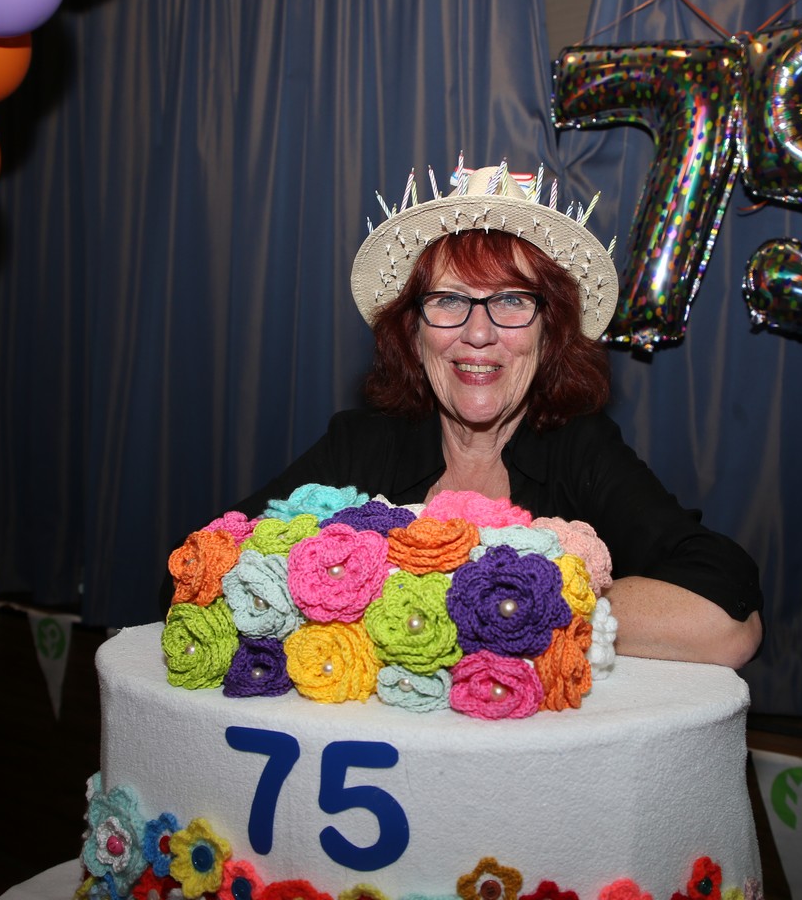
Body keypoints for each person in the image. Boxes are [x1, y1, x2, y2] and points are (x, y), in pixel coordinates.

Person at [229, 161, 763, 668]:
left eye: (511, 301)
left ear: (549, 332)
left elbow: (728, 622)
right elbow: (209, 568)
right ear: (413, 332)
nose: (479, 333)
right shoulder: (359, 445)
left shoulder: (580, 451)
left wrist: (515, 604)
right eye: (448, 300)